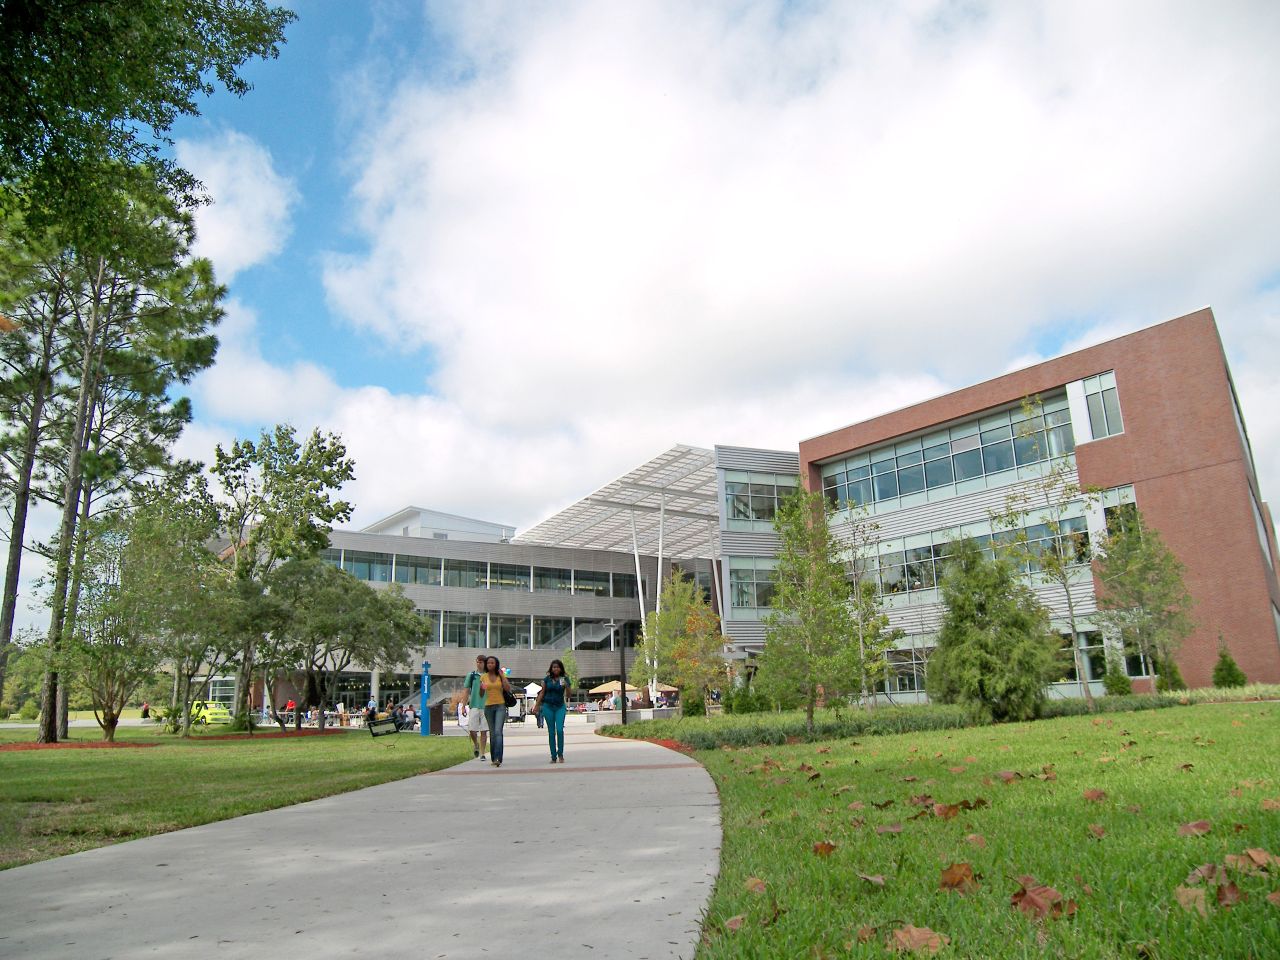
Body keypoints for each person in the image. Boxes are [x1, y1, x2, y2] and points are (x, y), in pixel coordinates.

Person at [533, 659, 570, 763]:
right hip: (548, 706)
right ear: (551, 668)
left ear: (561, 668)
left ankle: (560, 753)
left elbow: (569, 695)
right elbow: (542, 693)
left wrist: (567, 686)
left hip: (560, 707)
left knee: (559, 730)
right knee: (551, 732)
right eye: (554, 667)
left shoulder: (564, 679)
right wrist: (537, 705)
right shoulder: (547, 680)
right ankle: (553, 756)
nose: (556, 669)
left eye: (558, 667)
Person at [479, 656, 513, 768]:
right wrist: (481, 688)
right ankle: (494, 758)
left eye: (492, 663)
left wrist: (503, 676)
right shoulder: (483, 677)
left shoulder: (500, 676)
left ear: (496, 664)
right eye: (488, 663)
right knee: (493, 733)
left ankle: (498, 757)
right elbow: (481, 695)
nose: (490, 664)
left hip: (500, 706)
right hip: (488, 707)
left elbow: (508, 689)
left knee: (498, 731)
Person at [463, 654, 489, 760]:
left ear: (485, 663)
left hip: (486, 706)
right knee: (472, 730)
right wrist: (463, 705)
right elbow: (466, 690)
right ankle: (476, 744)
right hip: (474, 705)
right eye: (477, 662)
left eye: (481, 662)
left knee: (484, 730)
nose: (479, 664)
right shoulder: (472, 675)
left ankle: (482, 753)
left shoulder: (488, 675)